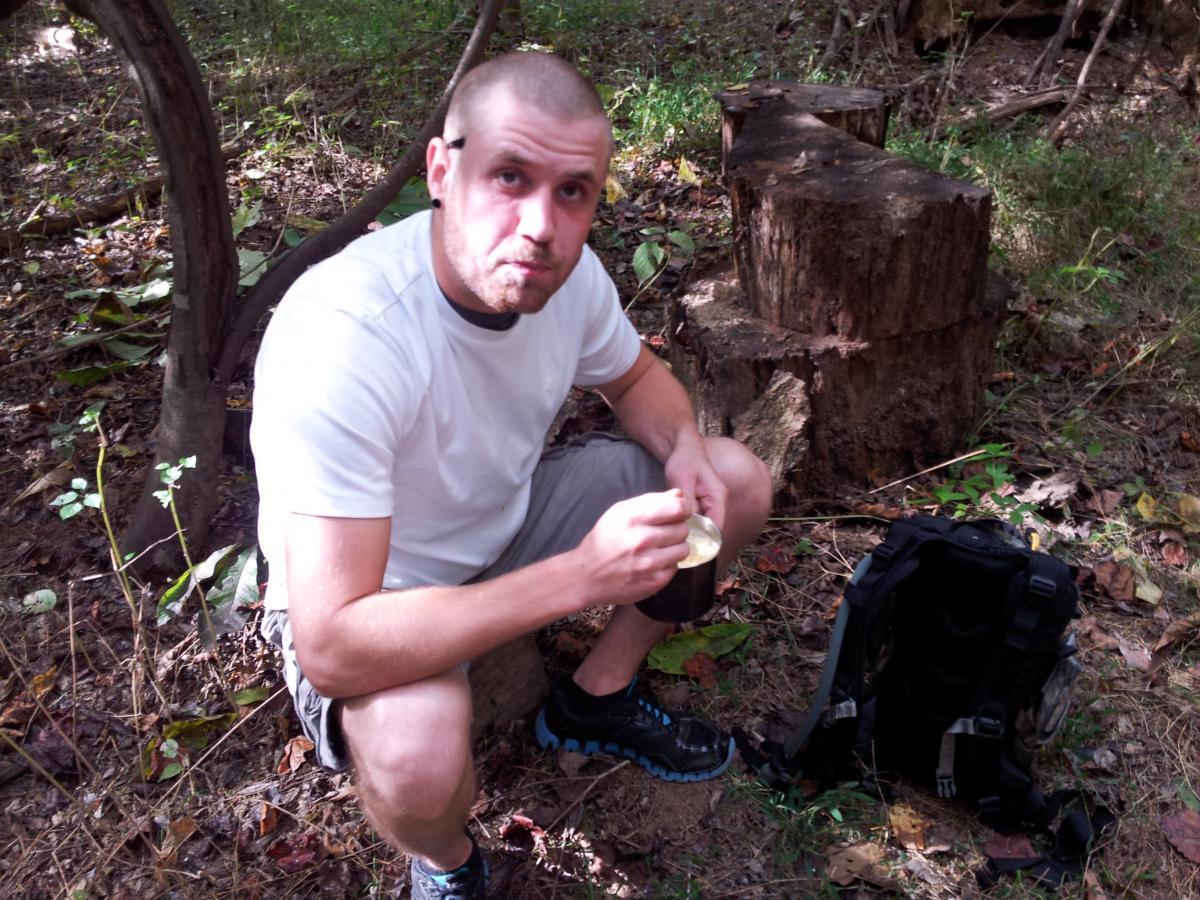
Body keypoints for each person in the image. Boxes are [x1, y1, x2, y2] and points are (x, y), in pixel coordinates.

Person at [251, 51, 772, 899]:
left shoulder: (566, 280)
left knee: (733, 478)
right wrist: (582, 575)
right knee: (419, 759)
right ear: (440, 170)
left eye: (573, 191)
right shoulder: (345, 336)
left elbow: (638, 379)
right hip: (379, 596)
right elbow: (335, 645)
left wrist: (680, 447)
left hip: (507, 523)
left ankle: (595, 699)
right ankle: (449, 865)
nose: (540, 224)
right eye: (508, 177)